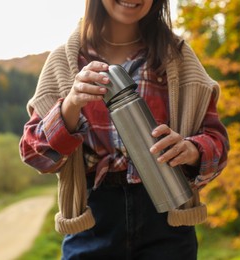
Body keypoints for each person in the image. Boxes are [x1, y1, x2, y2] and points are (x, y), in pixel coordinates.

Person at [19, 0, 229, 259]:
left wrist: (192, 151)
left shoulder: (177, 57)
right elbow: (34, 154)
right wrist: (71, 105)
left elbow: (217, 142)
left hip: (168, 219)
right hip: (91, 220)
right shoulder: (65, 61)